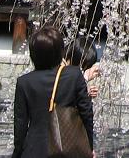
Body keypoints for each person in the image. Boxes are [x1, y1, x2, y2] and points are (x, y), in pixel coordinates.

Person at [13, 25, 94, 158]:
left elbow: (20, 125)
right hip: (67, 149)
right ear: (60, 52)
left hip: (34, 150)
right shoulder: (74, 75)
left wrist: (17, 153)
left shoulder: (24, 82)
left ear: (33, 54)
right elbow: (87, 114)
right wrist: (89, 147)